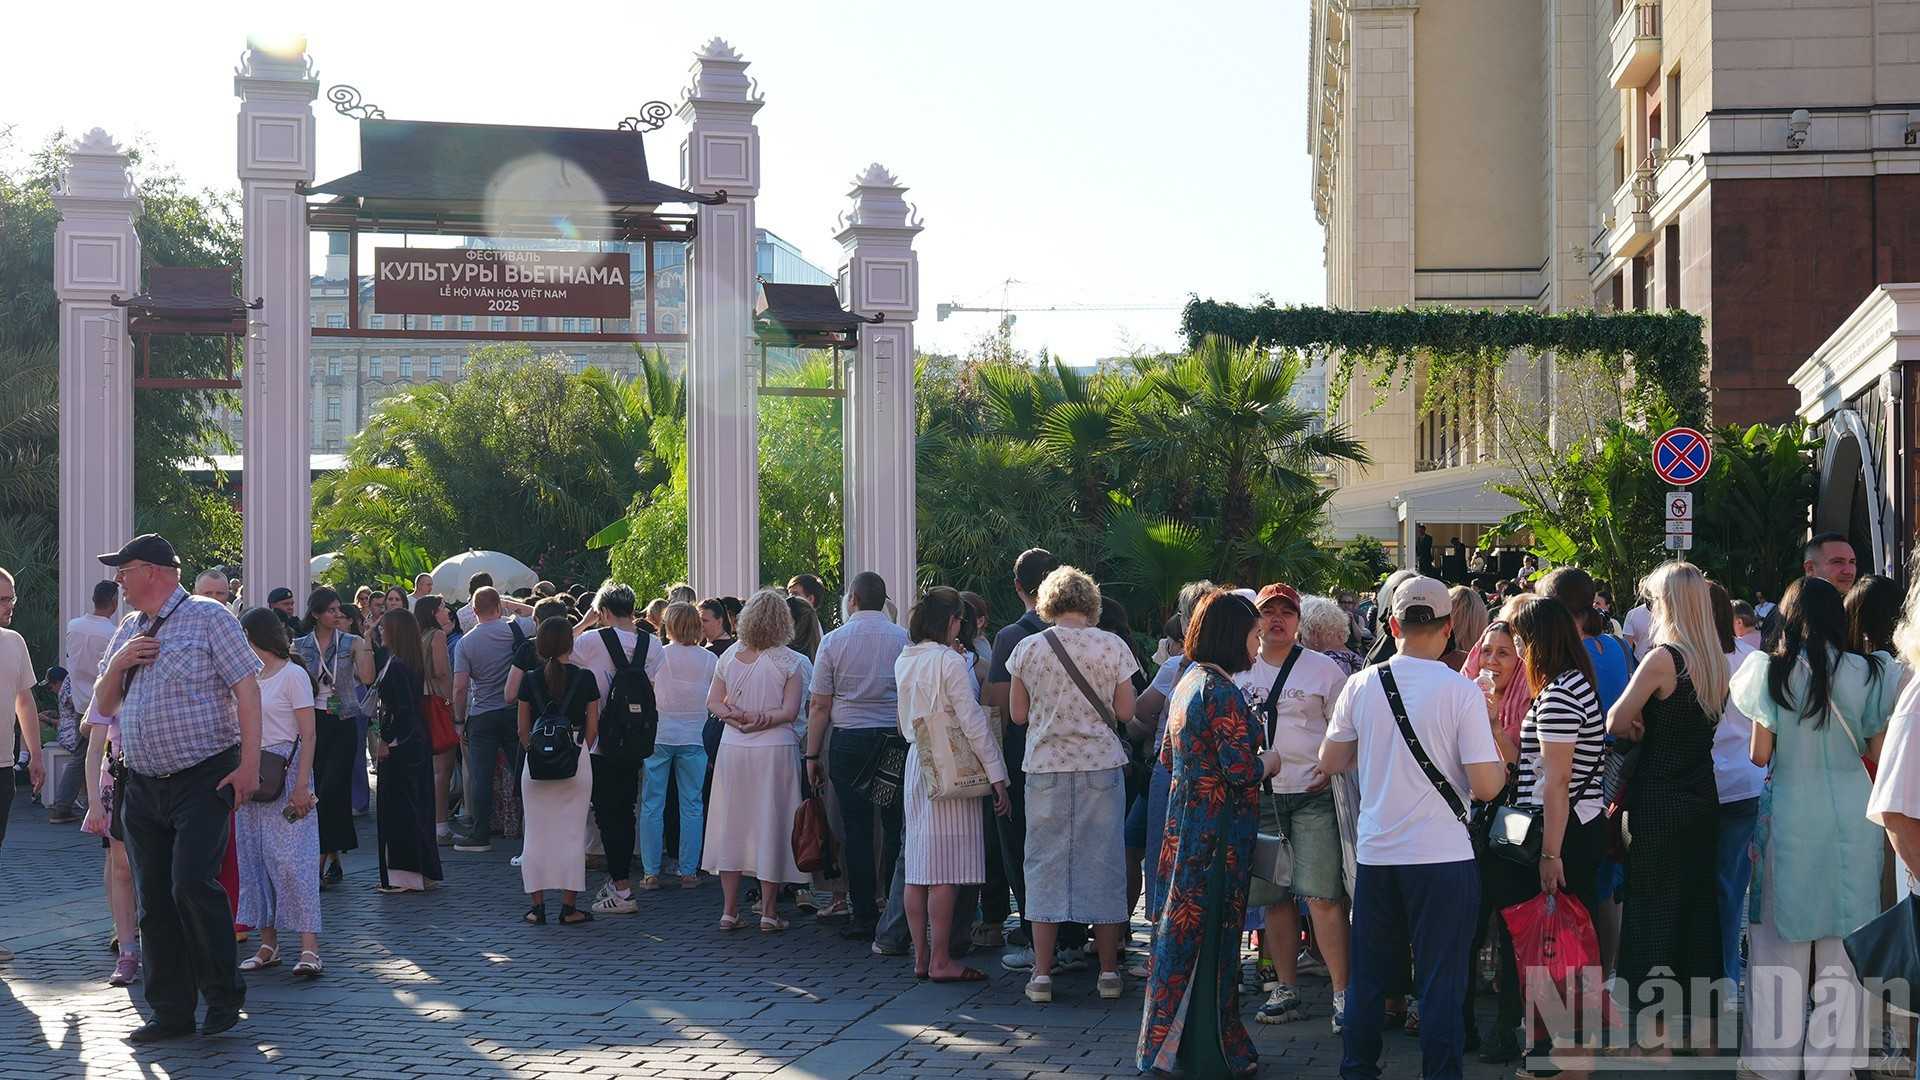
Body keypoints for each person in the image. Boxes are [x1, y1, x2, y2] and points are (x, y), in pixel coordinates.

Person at [1318, 575, 1507, 1080]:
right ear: (1448, 629)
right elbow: (1488, 787)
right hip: (1444, 856)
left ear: (1394, 624)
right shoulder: (1462, 691)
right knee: (1441, 981)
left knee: (1369, 981)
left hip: (1378, 854)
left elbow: (1331, 759)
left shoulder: (1361, 683)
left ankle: (1358, 1069)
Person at [90, 534, 262, 1043]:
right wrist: (121, 662)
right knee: (154, 899)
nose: (117, 579)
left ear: (154, 571)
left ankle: (223, 995)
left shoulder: (212, 618)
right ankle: (170, 1013)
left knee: (190, 883)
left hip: (203, 774)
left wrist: (249, 766)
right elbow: (103, 704)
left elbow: (247, 692)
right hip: (140, 781)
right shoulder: (127, 628)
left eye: (124, 569)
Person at [1731, 576, 1894, 1080]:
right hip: (1853, 818)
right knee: (1845, 956)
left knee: (1778, 953)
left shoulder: (1769, 673)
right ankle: (1833, 1069)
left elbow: (1760, 754)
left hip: (1791, 819)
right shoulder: (1869, 672)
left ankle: (1774, 1066)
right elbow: (1876, 751)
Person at [1139, 589, 1278, 1077]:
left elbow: (1168, 759)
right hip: (1216, 839)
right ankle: (1205, 1051)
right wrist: (1271, 760)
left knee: (1181, 937)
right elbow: (1241, 770)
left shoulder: (1186, 681)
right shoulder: (1219, 690)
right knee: (1210, 941)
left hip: (1187, 830)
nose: (1258, 645)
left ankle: (1169, 1047)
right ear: (1230, 636)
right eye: (1253, 635)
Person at [1481, 594, 1610, 1071]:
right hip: (1565, 827)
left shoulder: (1558, 694)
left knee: (1553, 942)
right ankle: (1559, 1045)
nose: (1514, 648)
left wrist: (1551, 855)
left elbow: (1557, 783)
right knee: (1554, 941)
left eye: (1517, 639)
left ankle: (1559, 1050)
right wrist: (1496, 723)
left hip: (1560, 833)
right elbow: (1531, 769)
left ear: (1535, 641)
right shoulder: (1570, 685)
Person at [1605, 562, 1727, 1047]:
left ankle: (1652, 1035)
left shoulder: (1664, 659)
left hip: (1657, 797)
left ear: (1668, 604)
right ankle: (1706, 1032)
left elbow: (1617, 719)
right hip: (1702, 795)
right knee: (1699, 912)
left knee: (1651, 912)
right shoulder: (1715, 658)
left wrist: (1638, 725)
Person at [1004, 565, 1139, 1003]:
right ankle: (1108, 973)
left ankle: (1042, 974)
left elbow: (1018, 715)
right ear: (1091, 604)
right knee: (1103, 864)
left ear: (1048, 603)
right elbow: (1124, 711)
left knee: (1043, 865)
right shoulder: (1112, 646)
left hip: (1044, 768)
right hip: (1101, 767)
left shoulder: (1027, 648)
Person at [1231, 583, 1352, 1029]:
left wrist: (1335, 767)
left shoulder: (1323, 671)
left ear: (1300, 621)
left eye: (1287, 611)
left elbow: (1348, 729)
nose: (1277, 619)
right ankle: (1286, 988)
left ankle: (1343, 994)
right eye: (1268, 611)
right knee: (1274, 900)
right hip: (1260, 798)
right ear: (1256, 619)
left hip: (1312, 795)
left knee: (1323, 895)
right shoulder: (1238, 668)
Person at [894, 587, 1010, 981]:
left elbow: (903, 720)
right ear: (952, 621)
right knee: (941, 870)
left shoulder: (906, 658)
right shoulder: (950, 661)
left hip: (917, 758)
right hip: (950, 765)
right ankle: (942, 958)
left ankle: (922, 955)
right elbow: (973, 722)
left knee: (917, 868)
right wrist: (997, 774)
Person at [987, 547, 1089, 975]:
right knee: (1078, 847)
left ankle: (1037, 941)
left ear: (1018, 586)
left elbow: (998, 703)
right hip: (1087, 758)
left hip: (1027, 756)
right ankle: (1075, 937)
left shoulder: (1013, 637)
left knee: (1029, 850)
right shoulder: (1091, 634)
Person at [804, 571, 911, 942]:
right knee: (893, 825)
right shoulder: (903, 640)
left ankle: (864, 912)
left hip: (849, 741)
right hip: (891, 742)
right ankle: (897, 910)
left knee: (857, 829)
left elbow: (820, 705)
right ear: (882, 601)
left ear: (852, 599)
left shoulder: (833, 641)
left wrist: (812, 753)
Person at [702, 590, 808, 931]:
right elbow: (791, 712)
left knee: (732, 823)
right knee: (771, 824)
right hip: (775, 749)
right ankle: (768, 911)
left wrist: (736, 718)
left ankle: (728, 910)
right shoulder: (790, 661)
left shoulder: (729, 655)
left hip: (733, 747)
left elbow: (713, 703)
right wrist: (763, 718)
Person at [232, 608, 322, 976]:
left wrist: (301, 785)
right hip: (251, 772)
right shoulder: (249, 676)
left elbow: (310, 733)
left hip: (285, 772)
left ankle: (310, 948)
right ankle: (268, 944)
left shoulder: (293, 674)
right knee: (253, 860)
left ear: (252, 635)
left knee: (292, 861)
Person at [567, 582, 663, 914]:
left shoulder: (591, 641)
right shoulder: (654, 644)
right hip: (637, 735)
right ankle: (619, 882)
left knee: (607, 813)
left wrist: (583, 623)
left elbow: (558, 650)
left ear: (604, 611)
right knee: (626, 808)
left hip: (601, 737)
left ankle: (621, 888)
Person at [509, 615, 597, 924]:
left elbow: (522, 729)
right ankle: (569, 908)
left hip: (536, 762)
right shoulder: (585, 678)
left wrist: (537, 750)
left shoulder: (530, 678)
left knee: (535, 835)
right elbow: (592, 727)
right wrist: (577, 749)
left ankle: (537, 908)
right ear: (570, 644)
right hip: (574, 758)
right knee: (573, 835)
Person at [289, 588, 373, 887]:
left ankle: (316, 865)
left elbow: (368, 677)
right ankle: (335, 859)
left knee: (330, 789)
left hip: (343, 721)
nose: (339, 615)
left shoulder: (351, 642)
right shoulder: (298, 646)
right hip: (311, 723)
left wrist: (367, 645)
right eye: (332, 611)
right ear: (316, 614)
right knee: (324, 791)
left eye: (340, 610)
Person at [1706, 580, 1766, 996]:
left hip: (1701, 783)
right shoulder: (1753, 658)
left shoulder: (1683, 659)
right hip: (1745, 781)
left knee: (1704, 887)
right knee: (1730, 888)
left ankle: (1713, 982)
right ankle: (1727, 982)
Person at [639, 602, 716, 891]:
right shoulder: (709, 660)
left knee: (652, 803)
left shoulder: (657, 655)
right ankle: (688, 871)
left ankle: (651, 872)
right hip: (695, 736)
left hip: (659, 735)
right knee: (692, 804)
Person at [450, 587, 530, 853]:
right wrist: (509, 603)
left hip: (482, 714)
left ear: (473, 611)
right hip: (513, 709)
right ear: (499, 607)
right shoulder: (516, 630)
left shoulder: (466, 643)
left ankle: (480, 834)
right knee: (522, 771)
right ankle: (530, 829)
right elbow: (537, 612)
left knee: (481, 775)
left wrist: (460, 720)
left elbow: (460, 687)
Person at [0, 564, 46, 962]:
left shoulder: (14, 642)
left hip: (1, 766)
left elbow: (25, 701)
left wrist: (34, 754)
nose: (8, 606)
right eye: (1, 600)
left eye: (10, 597)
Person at [80, 696, 139, 985]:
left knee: (168, 870)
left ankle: (166, 947)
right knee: (121, 868)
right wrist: (94, 801)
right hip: (119, 779)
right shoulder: (112, 680)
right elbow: (94, 746)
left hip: (163, 780)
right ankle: (127, 951)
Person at [53, 581, 121, 824]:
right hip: (102, 702)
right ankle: (64, 804)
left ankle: (74, 804)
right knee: (88, 754)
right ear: (114, 603)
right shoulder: (111, 633)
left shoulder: (74, 626)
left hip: (81, 701)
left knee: (86, 753)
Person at [412, 596, 457, 846]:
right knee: (443, 767)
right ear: (432, 612)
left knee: (429, 767)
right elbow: (441, 672)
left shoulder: (418, 636)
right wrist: (451, 704)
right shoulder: (437, 636)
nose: (447, 611)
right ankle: (441, 826)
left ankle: (429, 822)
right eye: (442, 607)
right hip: (437, 702)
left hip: (420, 703)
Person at [1302, 595, 1365, 676]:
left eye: (1303, 634)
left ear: (1315, 631)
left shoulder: (1323, 663)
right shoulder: (1357, 659)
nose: (1302, 642)